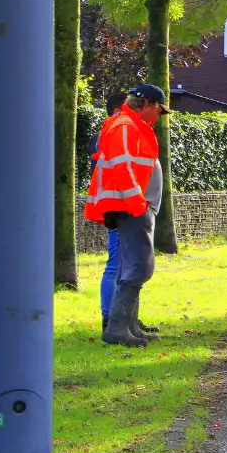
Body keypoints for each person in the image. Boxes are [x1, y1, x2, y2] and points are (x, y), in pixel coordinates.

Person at [85, 84, 171, 348]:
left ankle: (128, 327)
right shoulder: (125, 126)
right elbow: (123, 166)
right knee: (140, 267)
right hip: (129, 206)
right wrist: (138, 204)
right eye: (158, 108)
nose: (159, 115)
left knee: (129, 266)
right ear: (146, 104)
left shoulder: (129, 125)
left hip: (127, 205)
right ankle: (119, 329)